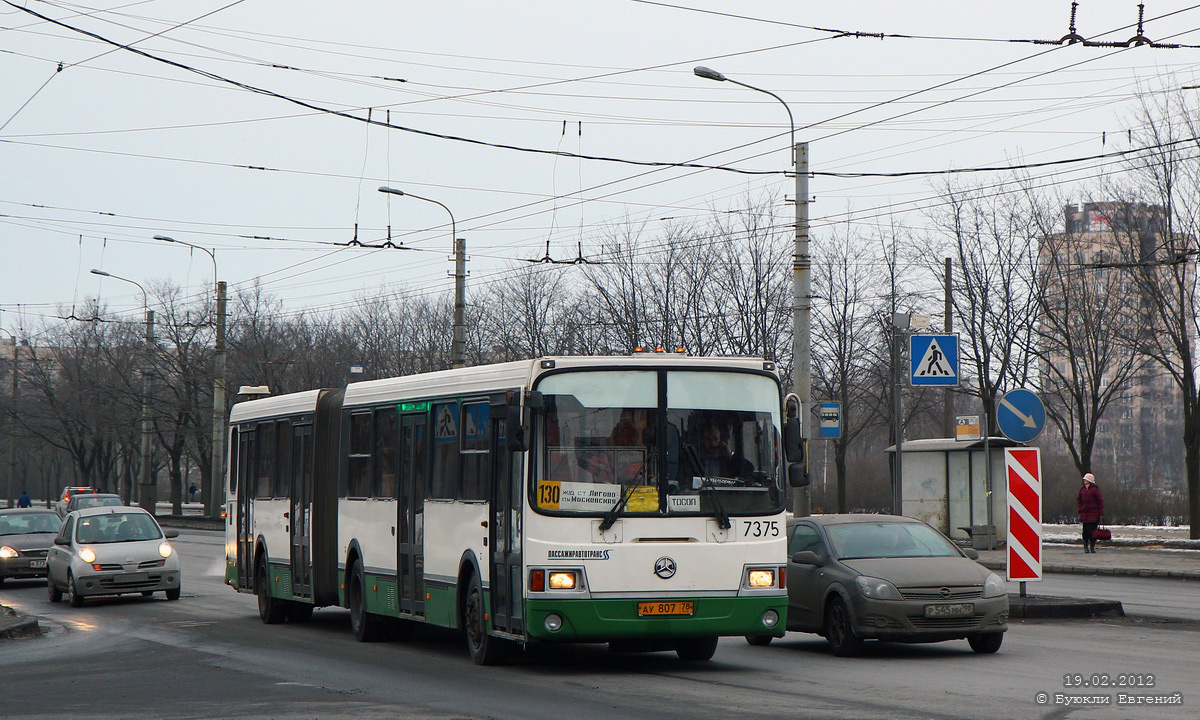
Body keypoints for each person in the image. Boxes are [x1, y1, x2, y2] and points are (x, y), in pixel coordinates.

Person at [1077, 472, 1105, 553]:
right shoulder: (1082, 489)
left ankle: (1092, 545)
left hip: (1093, 514)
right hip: (1084, 514)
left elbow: (1100, 502)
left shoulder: (1095, 490)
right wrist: (1080, 508)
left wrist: (1101, 513)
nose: (1084, 481)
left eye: (1085, 479)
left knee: (1093, 531)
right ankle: (1086, 546)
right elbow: (1079, 499)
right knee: (1085, 531)